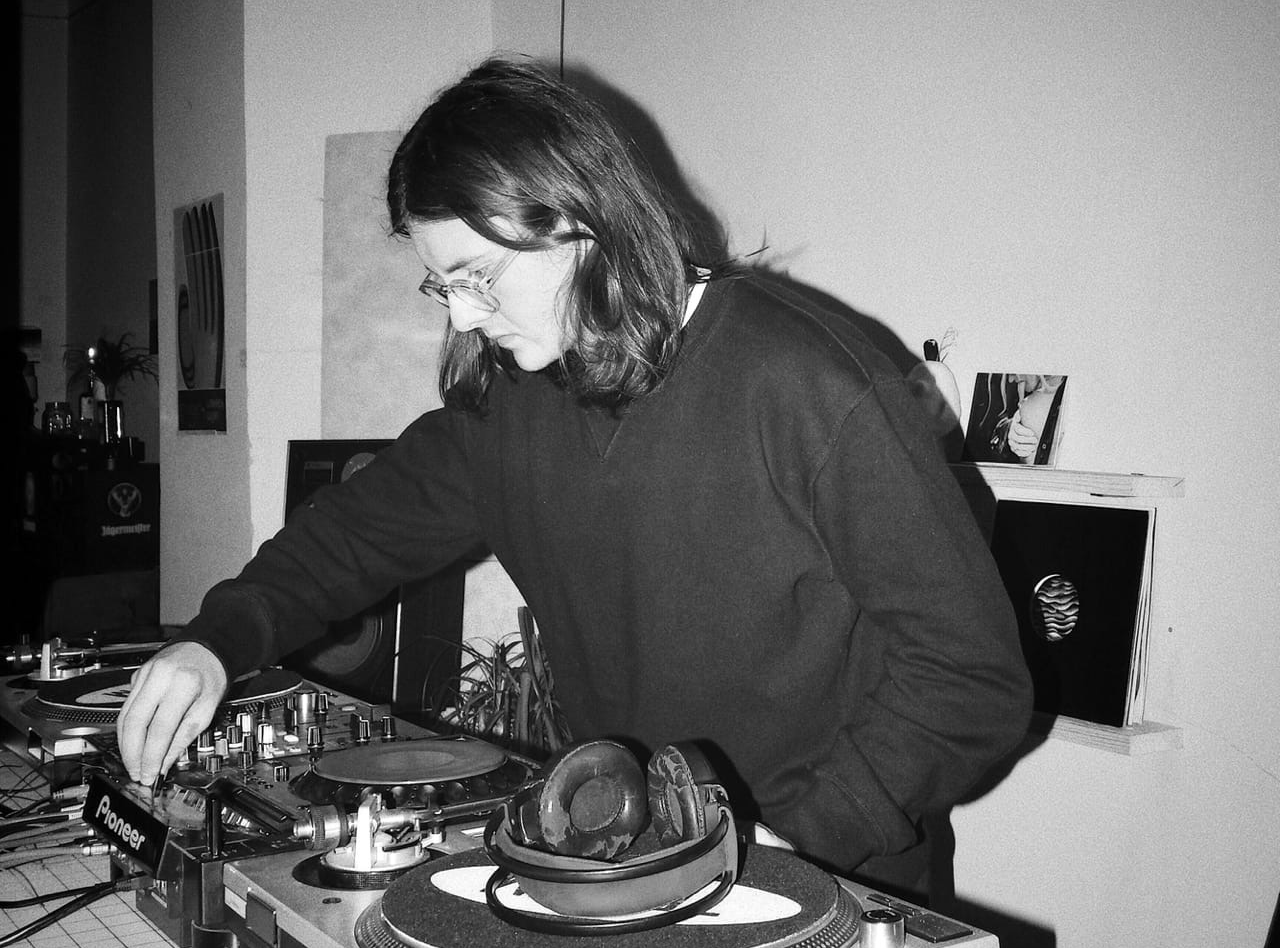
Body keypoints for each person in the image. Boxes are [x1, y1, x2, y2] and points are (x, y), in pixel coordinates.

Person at [118, 57, 1031, 901]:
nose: (465, 319)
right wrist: (215, 642)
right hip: (634, 868)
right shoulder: (507, 406)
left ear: (580, 221)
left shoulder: (808, 383)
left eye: (478, 277)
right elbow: (350, 538)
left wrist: (787, 841)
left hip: (825, 881)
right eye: (443, 287)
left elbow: (970, 674)